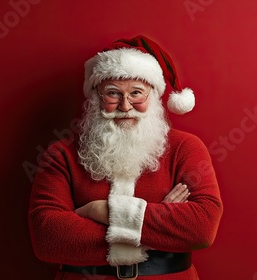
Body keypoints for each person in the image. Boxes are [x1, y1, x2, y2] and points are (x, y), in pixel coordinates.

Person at [28, 35, 223, 280]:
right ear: (96, 97)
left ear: (153, 95)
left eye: (137, 93)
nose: (125, 105)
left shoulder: (186, 147)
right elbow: (49, 238)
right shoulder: (61, 154)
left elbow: (202, 228)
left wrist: (99, 211)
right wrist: (159, 224)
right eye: (112, 93)